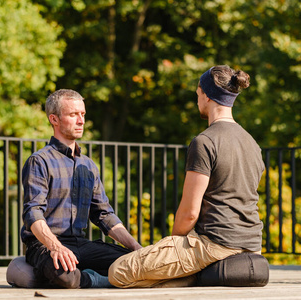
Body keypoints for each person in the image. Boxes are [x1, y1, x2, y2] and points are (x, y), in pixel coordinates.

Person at [109, 65, 265, 288]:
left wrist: (173, 243)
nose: (197, 100)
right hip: (252, 245)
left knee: (119, 271)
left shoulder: (205, 141)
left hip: (213, 245)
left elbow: (189, 213)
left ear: (208, 96)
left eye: (198, 94)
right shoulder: (253, 144)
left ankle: (193, 276)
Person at [21, 89, 142, 289]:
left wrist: (137, 248)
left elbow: (104, 215)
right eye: (73, 114)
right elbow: (33, 213)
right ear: (54, 119)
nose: (81, 121)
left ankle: (85, 275)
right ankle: (94, 279)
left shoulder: (88, 166)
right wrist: (55, 247)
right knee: (64, 275)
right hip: (44, 244)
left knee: (137, 262)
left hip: (80, 245)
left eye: (83, 114)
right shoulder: (40, 161)